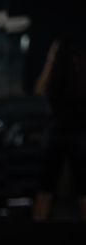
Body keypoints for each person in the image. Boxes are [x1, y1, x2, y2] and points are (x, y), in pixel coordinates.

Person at [32, 28, 86, 221]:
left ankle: (36, 234)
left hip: (56, 133)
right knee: (83, 188)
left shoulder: (53, 76)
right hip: (79, 134)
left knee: (45, 187)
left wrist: (50, 61)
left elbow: (39, 90)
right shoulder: (80, 76)